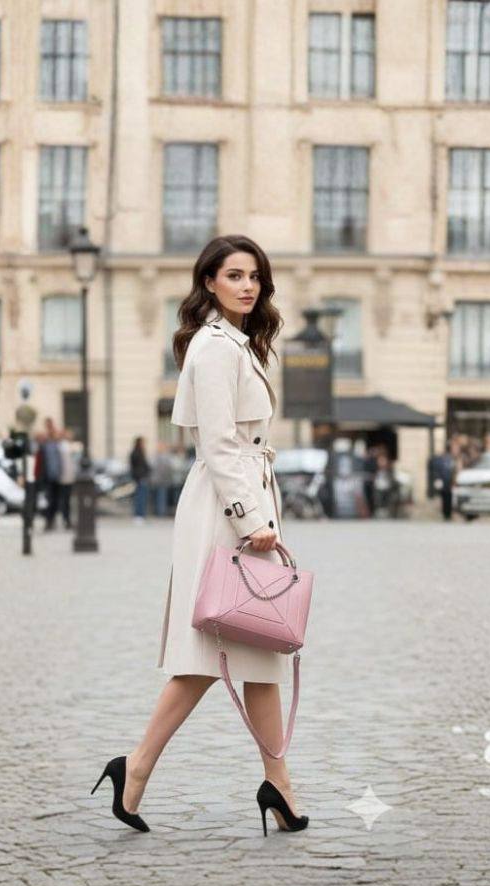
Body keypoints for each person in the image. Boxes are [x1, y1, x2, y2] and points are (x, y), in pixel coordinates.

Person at [91, 234, 307, 837]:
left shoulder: (240, 345)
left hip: (245, 498)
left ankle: (278, 786)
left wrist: (260, 511)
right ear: (209, 281)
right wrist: (250, 518)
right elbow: (215, 443)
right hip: (225, 507)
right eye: (234, 275)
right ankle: (135, 769)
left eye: (255, 277)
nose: (247, 286)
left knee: (260, 648)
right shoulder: (214, 347)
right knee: (208, 653)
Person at [35, 418, 63, 532]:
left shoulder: (56, 443)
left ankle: (52, 520)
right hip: (47, 477)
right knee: (48, 501)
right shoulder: (43, 444)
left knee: (55, 500)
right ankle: (48, 521)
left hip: (55, 476)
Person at [56, 427, 78, 528]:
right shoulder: (63, 447)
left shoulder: (67, 446)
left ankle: (67, 519)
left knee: (67, 500)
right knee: (65, 500)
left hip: (67, 477)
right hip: (64, 477)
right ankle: (66, 520)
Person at [129, 436, 151, 524]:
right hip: (140, 478)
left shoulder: (140, 452)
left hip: (141, 477)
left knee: (142, 497)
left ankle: (140, 515)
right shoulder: (136, 453)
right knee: (140, 498)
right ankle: (138, 515)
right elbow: (136, 467)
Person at [152, 441, 175, 517]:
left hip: (163, 480)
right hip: (160, 480)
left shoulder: (163, 456)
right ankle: (161, 513)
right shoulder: (159, 456)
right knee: (161, 497)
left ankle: (161, 512)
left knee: (162, 497)